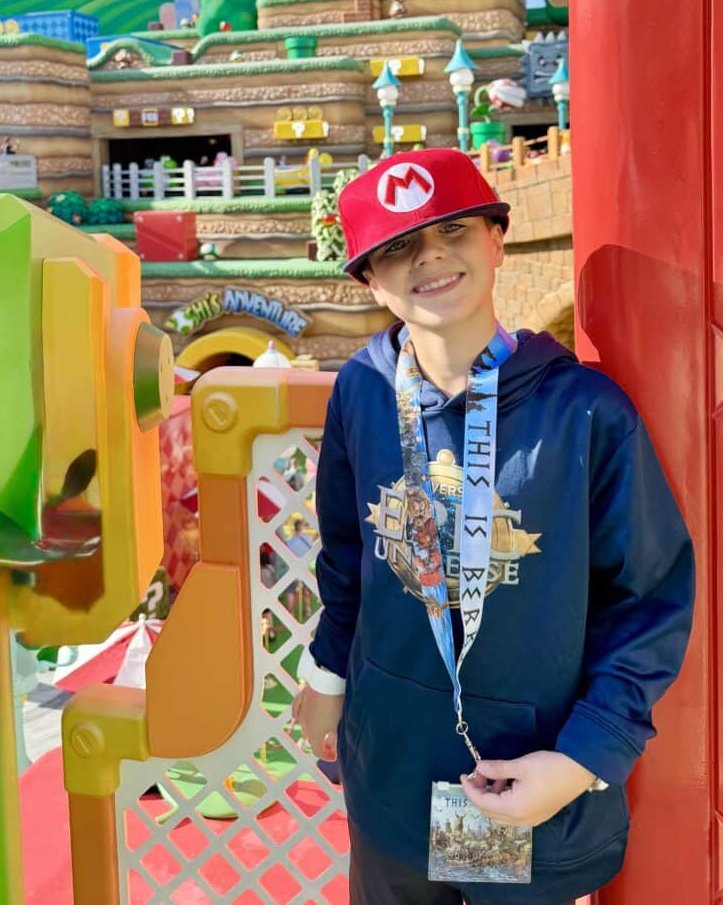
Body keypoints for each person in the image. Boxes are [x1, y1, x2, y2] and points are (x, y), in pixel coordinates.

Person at [291, 149, 694, 905]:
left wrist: (581, 759)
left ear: (498, 239)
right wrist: (327, 670)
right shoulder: (362, 392)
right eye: (400, 247)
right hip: (391, 774)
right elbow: (346, 559)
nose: (432, 257)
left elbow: (648, 602)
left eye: (455, 231)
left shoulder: (585, 413)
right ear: (369, 280)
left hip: (516, 780)